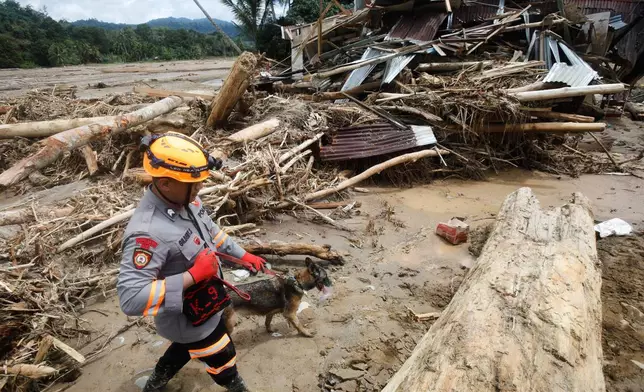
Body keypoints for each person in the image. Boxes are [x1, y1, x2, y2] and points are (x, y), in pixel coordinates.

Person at [116, 132, 267, 392]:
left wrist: (243, 256)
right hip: (190, 319)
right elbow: (130, 298)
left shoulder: (186, 199)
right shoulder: (148, 232)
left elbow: (212, 233)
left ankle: (155, 383)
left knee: (184, 349)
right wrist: (194, 276)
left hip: (209, 302)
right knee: (224, 360)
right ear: (165, 183)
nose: (200, 188)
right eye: (193, 183)